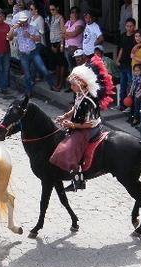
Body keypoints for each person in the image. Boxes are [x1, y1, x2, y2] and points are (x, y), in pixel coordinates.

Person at [50, 56, 115, 192]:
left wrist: (72, 126)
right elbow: (75, 107)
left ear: (82, 84)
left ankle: (78, 179)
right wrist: (65, 116)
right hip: (80, 125)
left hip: (89, 129)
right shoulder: (80, 95)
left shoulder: (88, 101)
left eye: (73, 84)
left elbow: (89, 124)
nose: (71, 86)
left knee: (71, 147)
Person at [7, 13, 55, 95]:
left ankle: (52, 85)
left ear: (27, 21)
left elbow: (38, 39)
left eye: (24, 22)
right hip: (23, 54)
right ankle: (28, 91)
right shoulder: (18, 29)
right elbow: (9, 38)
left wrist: (30, 36)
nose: (22, 24)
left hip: (33, 52)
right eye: (21, 22)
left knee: (43, 69)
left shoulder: (32, 28)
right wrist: (12, 28)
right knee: (27, 74)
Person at [115, 17, 136, 111]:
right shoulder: (123, 35)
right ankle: (122, 105)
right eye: (127, 26)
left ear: (134, 26)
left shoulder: (136, 36)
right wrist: (117, 59)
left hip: (131, 65)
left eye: (131, 26)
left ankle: (131, 106)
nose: (129, 28)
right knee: (123, 85)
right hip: (123, 63)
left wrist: (138, 45)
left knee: (131, 85)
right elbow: (121, 49)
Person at [47, 4, 66, 91]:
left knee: (61, 64)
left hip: (59, 43)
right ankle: (57, 82)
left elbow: (62, 33)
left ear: (57, 8)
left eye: (53, 9)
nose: (52, 11)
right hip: (53, 42)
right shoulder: (52, 17)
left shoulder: (60, 18)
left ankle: (60, 84)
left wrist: (61, 45)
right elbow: (52, 31)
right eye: (50, 10)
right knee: (57, 64)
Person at [63, 6, 84, 76]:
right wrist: (69, 35)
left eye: (76, 12)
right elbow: (62, 33)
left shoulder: (80, 22)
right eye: (72, 12)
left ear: (78, 14)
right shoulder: (68, 22)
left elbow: (75, 33)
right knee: (71, 67)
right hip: (67, 48)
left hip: (76, 48)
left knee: (79, 68)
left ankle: (80, 85)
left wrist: (66, 35)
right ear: (70, 14)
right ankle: (73, 85)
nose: (74, 14)